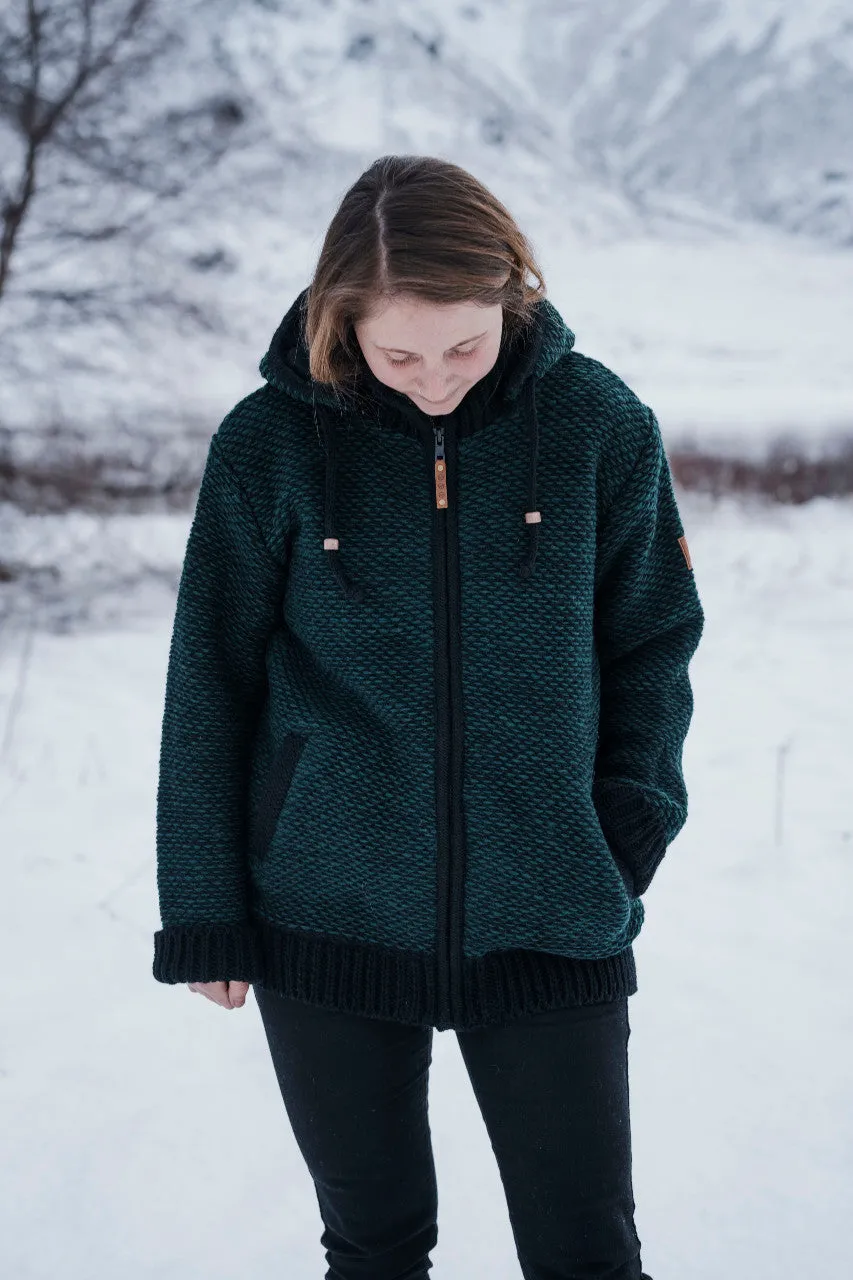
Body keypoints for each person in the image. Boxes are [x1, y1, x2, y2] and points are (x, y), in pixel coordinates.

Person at [152, 154, 703, 1280]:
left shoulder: (599, 424)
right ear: (338, 318)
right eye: (398, 352)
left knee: (587, 1251)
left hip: (550, 908)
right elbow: (211, 675)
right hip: (324, 906)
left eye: (466, 343)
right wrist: (205, 897)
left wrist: (625, 826)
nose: (436, 379)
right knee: (373, 1246)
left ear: (513, 295)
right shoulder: (268, 446)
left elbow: (652, 640)